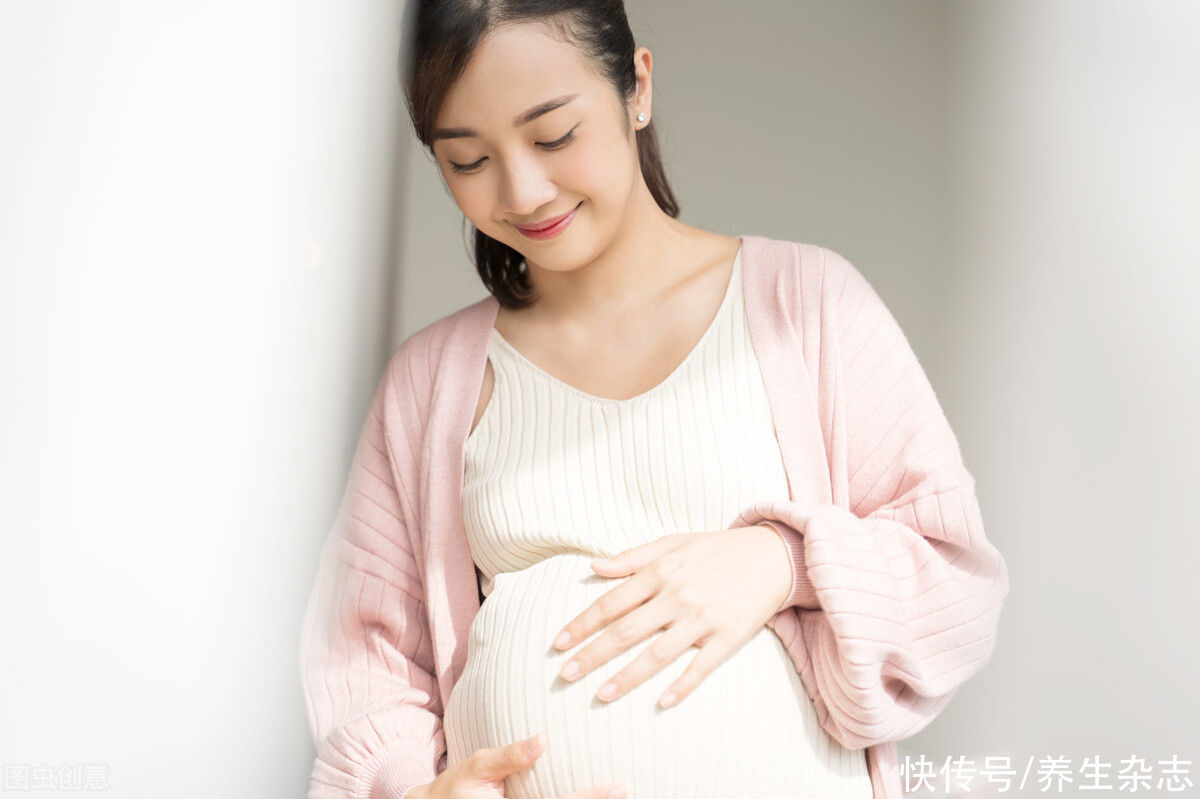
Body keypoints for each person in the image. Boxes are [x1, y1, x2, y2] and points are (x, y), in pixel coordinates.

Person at [298, 2, 1011, 798]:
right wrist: (420, 793)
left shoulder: (809, 307)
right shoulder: (429, 384)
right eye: (468, 160)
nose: (523, 190)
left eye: (554, 135)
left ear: (637, 86)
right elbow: (369, 667)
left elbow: (955, 581)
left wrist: (783, 561)